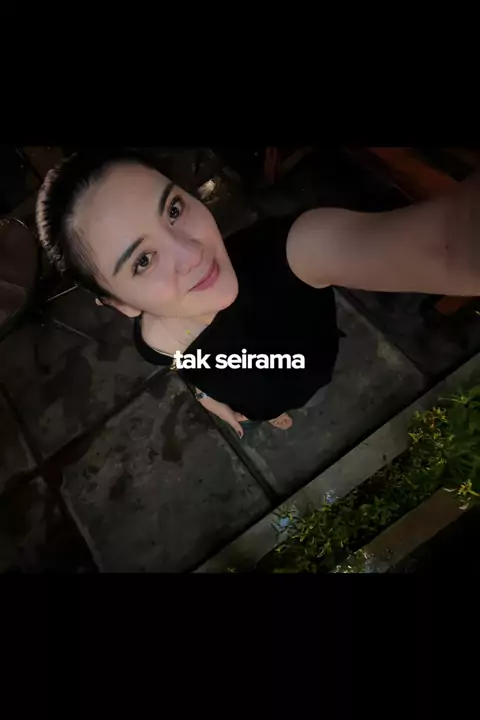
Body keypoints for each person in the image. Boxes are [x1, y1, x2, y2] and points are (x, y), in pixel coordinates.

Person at [36, 147, 480, 438]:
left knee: (310, 394)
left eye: (173, 209)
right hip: (254, 402)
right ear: (121, 304)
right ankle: (271, 412)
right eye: (143, 260)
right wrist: (208, 398)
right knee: (272, 407)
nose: (192, 254)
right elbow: (187, 367)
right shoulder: (151, 341)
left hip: (309, 378)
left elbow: (449, 250)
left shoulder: (293, 252)